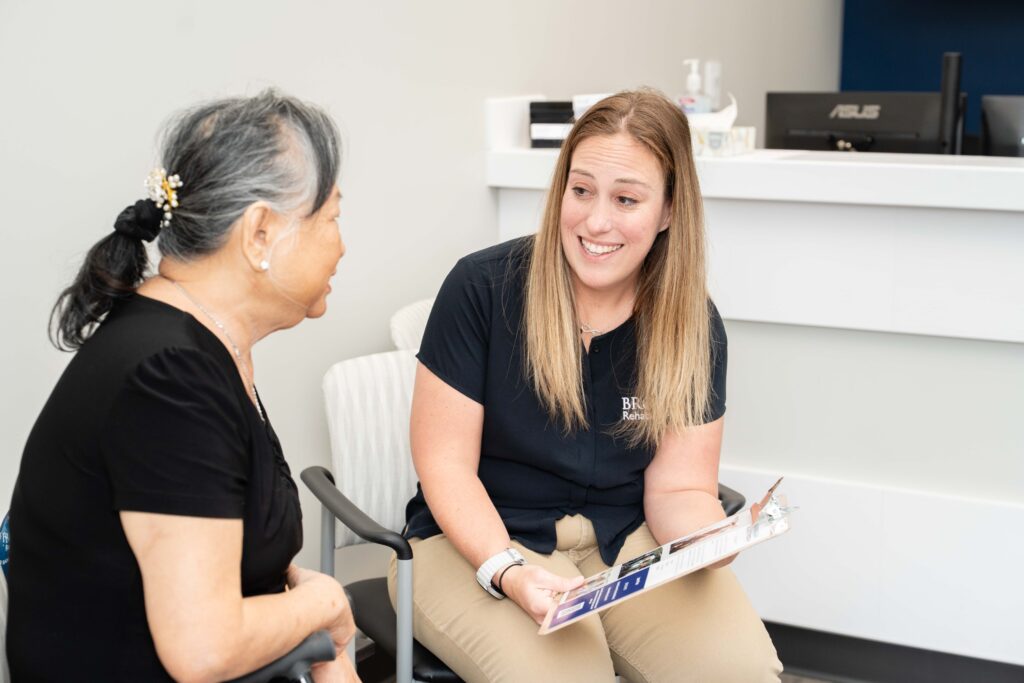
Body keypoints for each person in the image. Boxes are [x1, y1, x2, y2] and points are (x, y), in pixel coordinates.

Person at [390, 90, 783, 682]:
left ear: (669, 210)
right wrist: (508, 571)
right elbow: (445, 467)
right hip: (478, 540)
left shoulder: (693, 326)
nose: (596, 222)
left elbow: (679, 487)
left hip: (624, 544)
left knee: (741, 673)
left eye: (626, 199)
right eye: (581, 191)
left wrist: (711, 538)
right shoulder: (482, 289)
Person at [6, 91, 360, 682]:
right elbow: (204, 648)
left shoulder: (203, 343)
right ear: (260, 234)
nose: (342, 244)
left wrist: (309, 622)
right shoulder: (169, 379)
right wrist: (324, 604)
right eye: (331, 218)